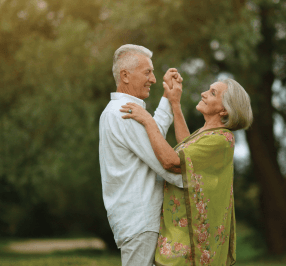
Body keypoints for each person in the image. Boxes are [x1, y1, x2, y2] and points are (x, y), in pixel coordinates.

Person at [121, 77, 253, 265]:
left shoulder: (222, 138)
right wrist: (175, 103)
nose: (204, 93)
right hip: (178, 232)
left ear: (224, 109)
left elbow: (172, 162)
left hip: (189, 243)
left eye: (213, 92)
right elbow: (187, 150)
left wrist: (147, 120)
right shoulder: (208, 133)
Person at [99, 44, 185, 266]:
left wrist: (168, 96)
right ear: (125, 76)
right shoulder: (123, 112)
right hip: (140, 220)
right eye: (147, 72)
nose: (153, 79)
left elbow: (153, 134)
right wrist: (197, 182)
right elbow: (164, 162)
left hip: (138, 220)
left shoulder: (123, 110)